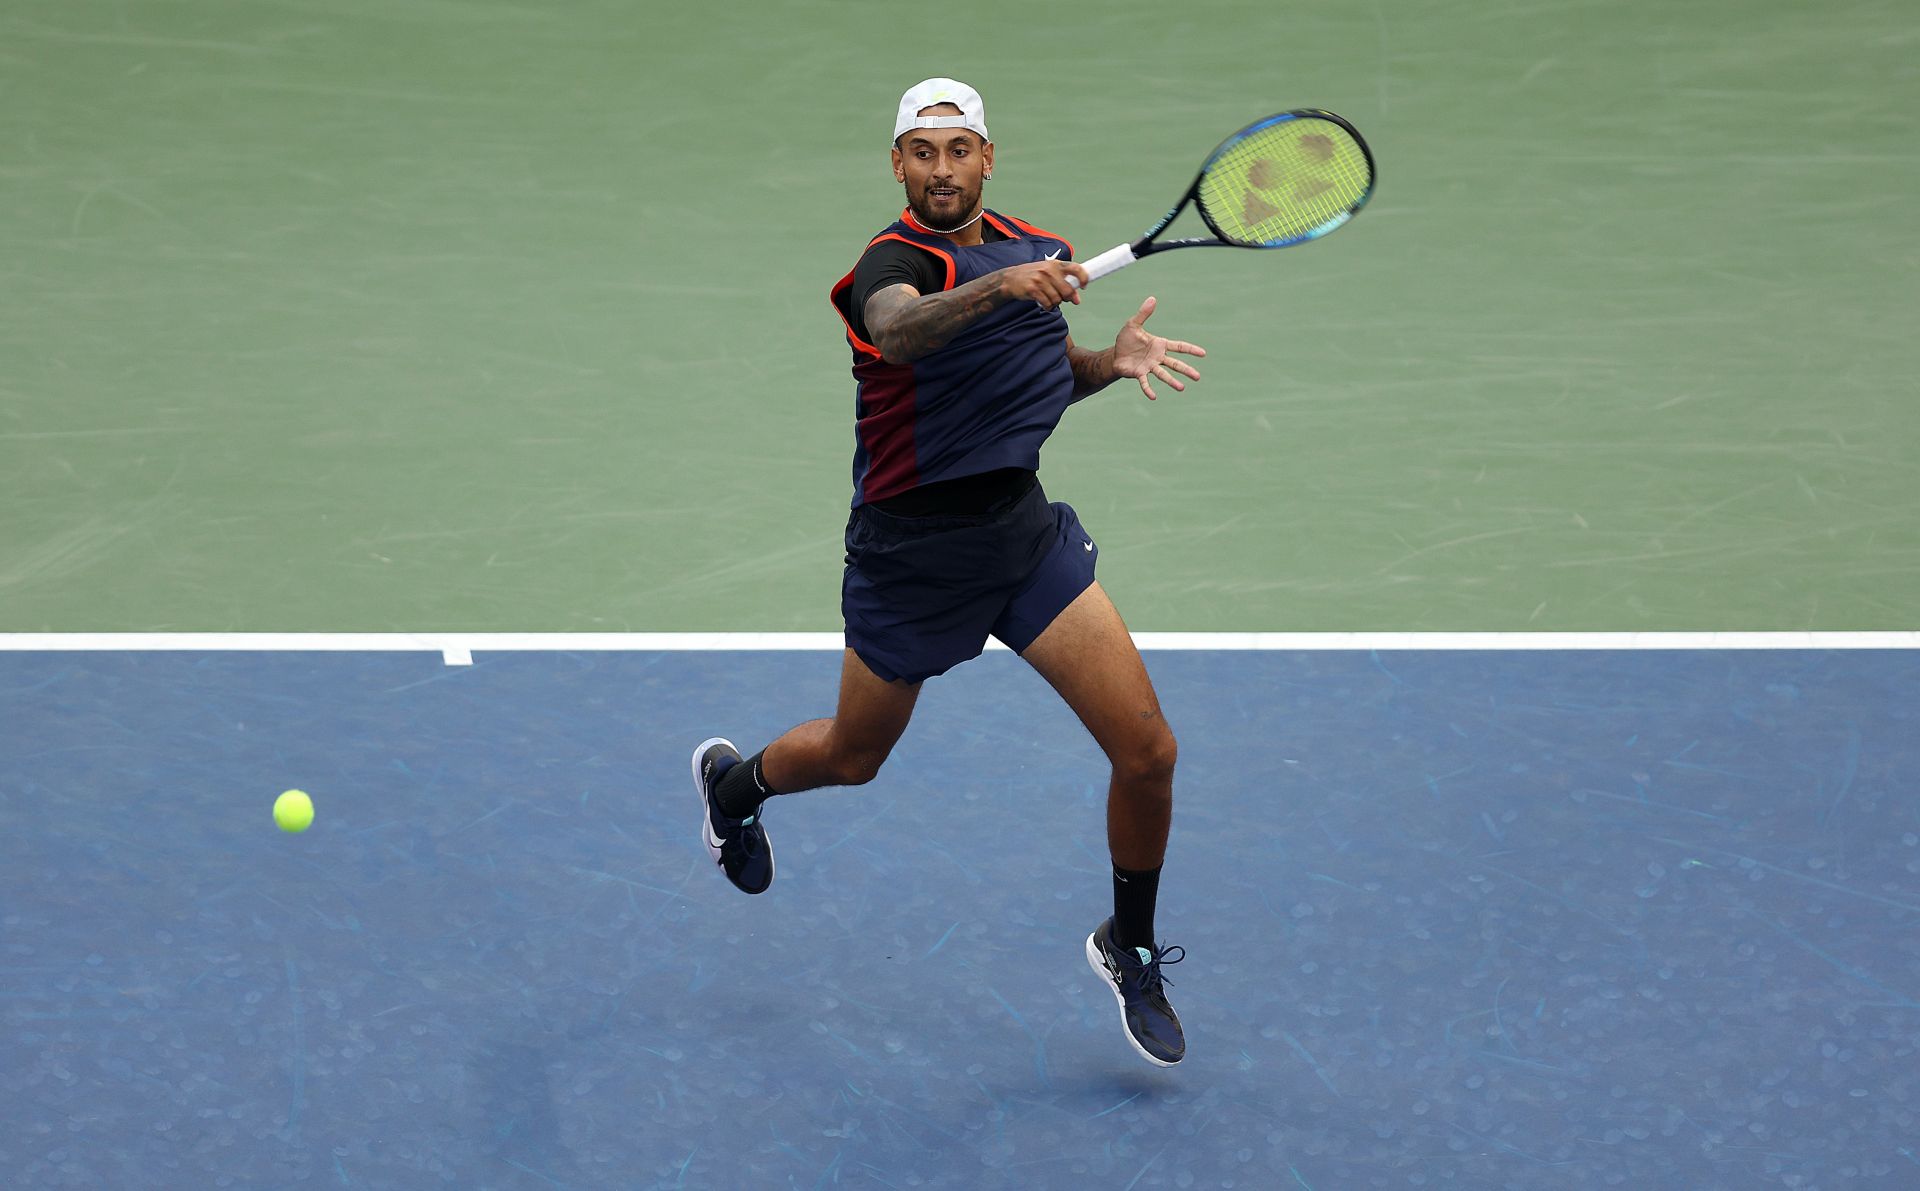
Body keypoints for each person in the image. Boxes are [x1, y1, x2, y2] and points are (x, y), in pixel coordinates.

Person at [691, 77, 1205, 1068]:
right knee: (853, 755)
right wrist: (1000, 290)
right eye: (921, 152)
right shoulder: (894, 262)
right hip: (910, 559)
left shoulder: (1037, 250)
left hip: (1021, 542)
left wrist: (1108, 359)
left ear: (986, 156)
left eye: (957, 148)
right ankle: (734, 789)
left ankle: (1128, 945)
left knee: (1148, 753)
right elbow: (898, 329)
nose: (940, 168)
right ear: (897, 164)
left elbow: (1041, 375)